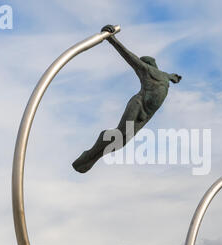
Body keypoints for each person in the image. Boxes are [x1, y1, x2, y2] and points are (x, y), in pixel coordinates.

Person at [72, 24, 182, 173]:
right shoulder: (146, 70)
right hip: (138, 105)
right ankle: (90, 154)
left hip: (145, 115)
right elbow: (129, 56)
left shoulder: (164, 75)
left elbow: (171, 76)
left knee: (122, 142)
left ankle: (92, 158)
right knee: (119, 133)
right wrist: (112, 39)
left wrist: (175, 77)